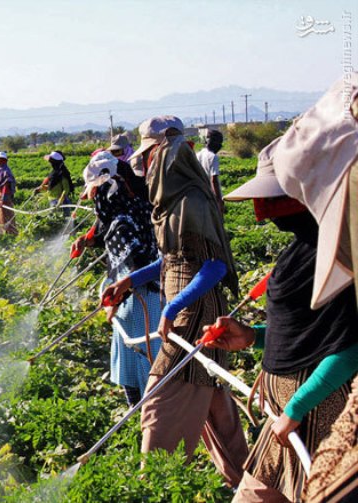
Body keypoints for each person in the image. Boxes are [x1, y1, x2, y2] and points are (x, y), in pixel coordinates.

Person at [201, 139, 358, 502]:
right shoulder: (303, 249)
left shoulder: (339, 253)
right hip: (287, 422)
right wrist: (253, 337)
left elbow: (349, 346)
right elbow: (312, 333)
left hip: (316, 420)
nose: (263, 209)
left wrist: (297, 407)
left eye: (274, 197)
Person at [102, 116, 248, 487]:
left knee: (159, 403)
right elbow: (173, 259)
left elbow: (213, 266)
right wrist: (129, 280)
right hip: (189, 310)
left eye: (150, 157)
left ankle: (157, 486)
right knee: (215, 408)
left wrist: (171, 306)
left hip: (195, 317)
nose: (146, 166)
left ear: (165, 154)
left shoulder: (191, 201)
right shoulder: (171, 200)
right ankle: (253, 484)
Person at [72, 150, 162, 405]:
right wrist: (86, 241)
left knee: (137, 363)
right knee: (146, 361)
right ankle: (147, 417)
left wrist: (117, 301)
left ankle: (144, 417)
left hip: (139, 303)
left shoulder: (120, 224)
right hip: (152, 298)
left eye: (93, 195)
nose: (93, 201)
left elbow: (138, 268)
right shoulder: (138, 205)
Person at [34, 151, 74, 217]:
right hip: (53, 201)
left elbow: (66, 189)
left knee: (63, 219)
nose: (50, 163)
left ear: (54, 163)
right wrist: (39, 190)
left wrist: (60, 201)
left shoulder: (63, 173)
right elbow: (51, 187)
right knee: (53, 219)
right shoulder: (54, 173)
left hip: (62, 203)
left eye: (51, 162)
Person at [197, 130, 225, 214]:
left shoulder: (197, 154)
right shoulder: (213, 157)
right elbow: (214, 180)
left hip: (198, 195)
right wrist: (219, 201)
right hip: (210, 197)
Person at [0, 151, 17, 236]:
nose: (0, 161)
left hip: (4, 196)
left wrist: (3, 199)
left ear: (6, 161)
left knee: (5, 216)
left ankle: (10, 236)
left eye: (2, 160)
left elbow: (6, 186)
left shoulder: (6, 171)